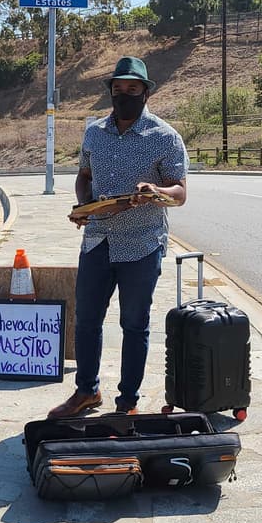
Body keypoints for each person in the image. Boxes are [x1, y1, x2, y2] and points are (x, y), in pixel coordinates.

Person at [49, 56, 188, 418]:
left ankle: (128, 402)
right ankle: (86, 392)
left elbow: (179, 193)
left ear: (145, 93)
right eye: (118, 88)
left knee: (134, 324)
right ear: (110, 92)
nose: (124, 94)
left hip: (141, 244)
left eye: (132, 88)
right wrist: (84, 206)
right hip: (97, 241)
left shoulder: (165, 137)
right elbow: (84, 176)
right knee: (87, 320)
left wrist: (155, 190)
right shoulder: (95, 132)